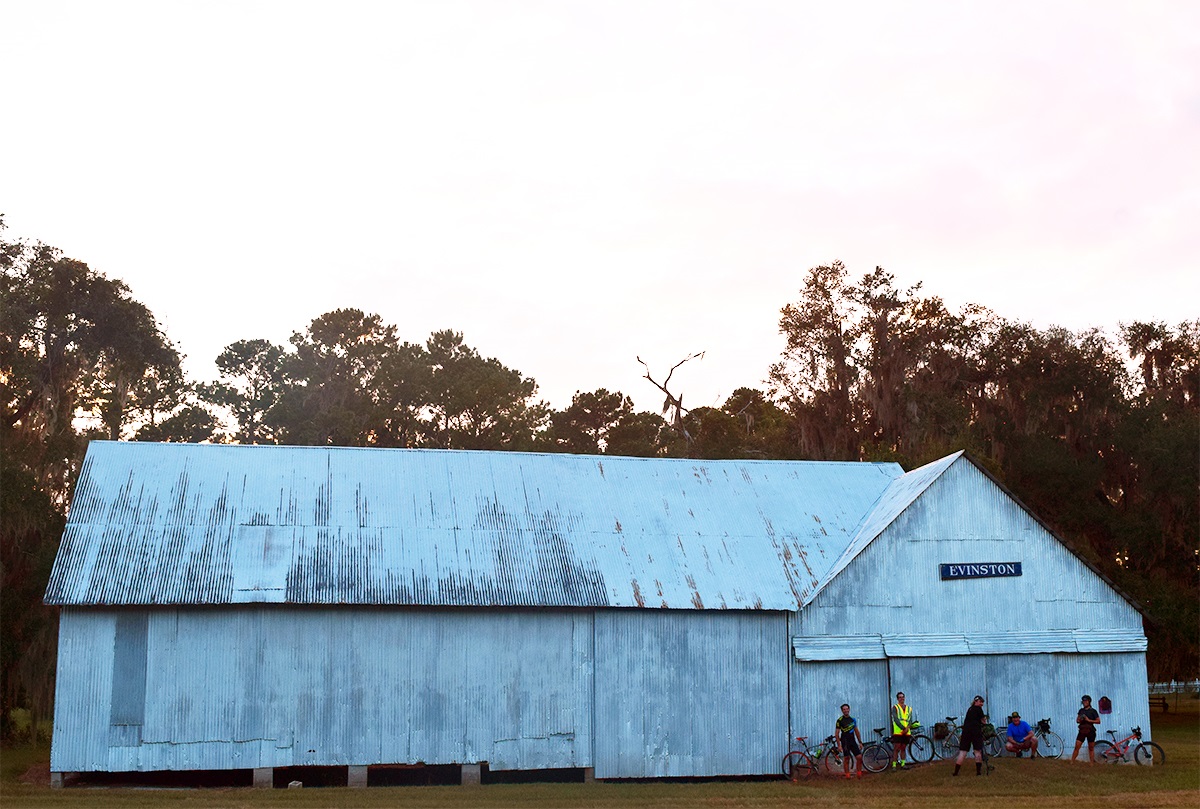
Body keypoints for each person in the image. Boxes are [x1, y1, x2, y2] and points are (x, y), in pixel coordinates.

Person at [952, 695, 986, 776]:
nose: (981, 704)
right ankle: (978, 772)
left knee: (963, 752)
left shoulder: (970, 709)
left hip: (966, 731)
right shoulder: (979, 709)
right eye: (980, 702)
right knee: (977, 751)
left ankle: (956, 772)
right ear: (976, 701)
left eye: (982, 702)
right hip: (976, 731)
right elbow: (983, 721)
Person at [834, 703, 863, 779]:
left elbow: (856, 731)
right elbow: (837, 734)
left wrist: (860, 742)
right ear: (842, 711)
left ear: (849, 709)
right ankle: (847, 776)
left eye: (847, 709)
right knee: (847, 758)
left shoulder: (853, 719)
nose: (846, 710)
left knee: (859, 757)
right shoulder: (839, 720)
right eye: (844, 709)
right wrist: (839, 745)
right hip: (845, 741)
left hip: (852, 740)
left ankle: (859, 774)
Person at [1070, 694, 1101, 763]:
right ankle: (1072, 761)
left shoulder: (1093, 711)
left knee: (1091, 748)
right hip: (1082, 730)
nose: (1084, 702)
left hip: (1090, 731)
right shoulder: (1081, 710)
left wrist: (1089, 720)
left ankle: (1091, 763)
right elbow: (1077, 720)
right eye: (1083, 701)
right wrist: (1080, 719)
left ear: (1089, 702)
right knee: (1077, 746)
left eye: (1086, 701)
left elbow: (1098, 721)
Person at [890, 691, 914, 768]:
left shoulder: (909, 708)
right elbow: (896, 719)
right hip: (898, 731)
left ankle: (903, 764)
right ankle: (894, 765)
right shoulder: (895, 707)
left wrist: (907, 728)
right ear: (897, 699)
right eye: (900, 697)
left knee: (903, 747)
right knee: (896, 748)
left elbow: (910, 720)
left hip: (906, 732)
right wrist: (903, 728)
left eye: (902, 697)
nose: (901, 699)